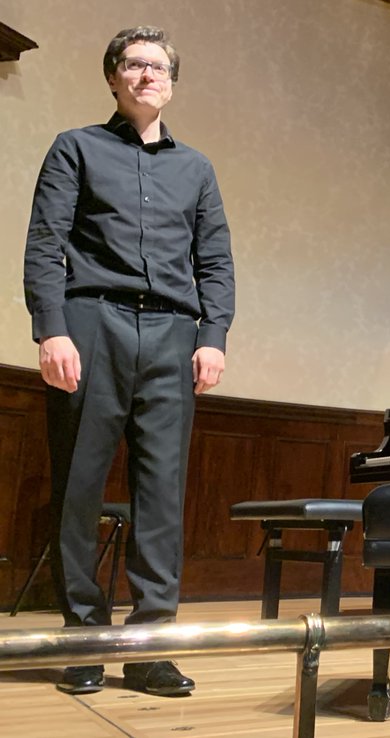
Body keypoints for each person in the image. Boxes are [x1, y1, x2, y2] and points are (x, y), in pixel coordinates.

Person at [23, 26, 234, 696]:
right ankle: (85, 641)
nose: (147, 74)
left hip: (174, 335)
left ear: (172, 80)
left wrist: (214, 336)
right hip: (92, 327)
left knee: (163, 498)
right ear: (113, 77)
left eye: (159, 65)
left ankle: (149, 649)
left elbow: (216, 262)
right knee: (79, 491)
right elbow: (44, 244)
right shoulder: (75, 149)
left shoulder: (196, 168)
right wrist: (51, 330)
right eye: (134, 64)